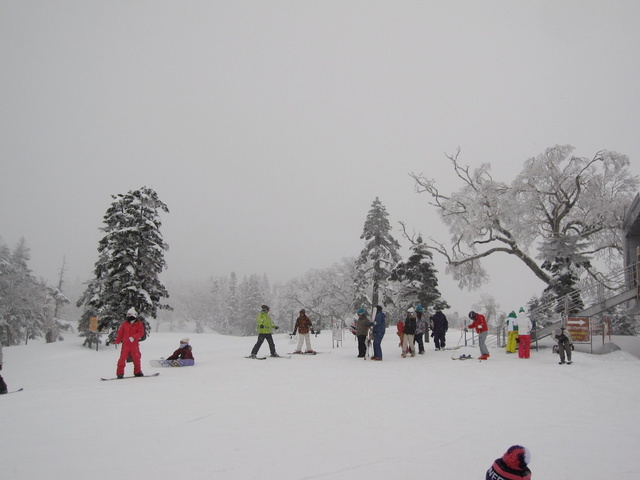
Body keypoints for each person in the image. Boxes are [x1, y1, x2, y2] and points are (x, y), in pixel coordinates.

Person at [114, 307, 145, 378]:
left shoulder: (139, 324)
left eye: (130, 315)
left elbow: (141, 333)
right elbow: (120, 333)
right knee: (122, 358)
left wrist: (134, 337)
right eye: (128, 315)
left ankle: (137, 371)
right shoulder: (125, 324)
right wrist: (117, 340)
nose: (128, 317)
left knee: (136, 358)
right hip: (126, 344)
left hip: (134, 344)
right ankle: (120, 373)